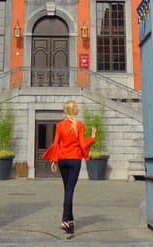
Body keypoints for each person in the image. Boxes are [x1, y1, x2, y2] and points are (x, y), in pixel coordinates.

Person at [43, 99, 96, 234]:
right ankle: (65, 219)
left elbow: (56, 144)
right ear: (72, 110)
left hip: (62, 160)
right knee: (69, 190)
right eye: (76, 106)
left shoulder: (60, 125)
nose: (78, 107)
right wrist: (93, 137)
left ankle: (70, 221)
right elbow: (83, 145)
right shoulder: (79, 125)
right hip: (74, 160)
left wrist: (54, 161)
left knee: (67, 189)